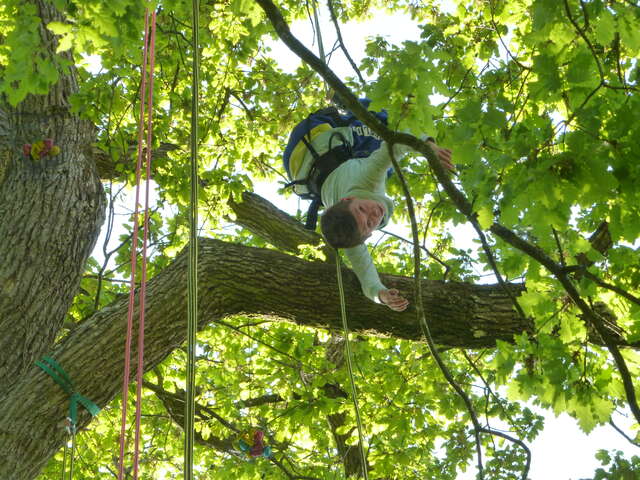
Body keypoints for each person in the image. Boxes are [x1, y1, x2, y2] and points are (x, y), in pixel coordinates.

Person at [284, 99, 453, 312]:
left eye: (362, 210)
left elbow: (395, 144)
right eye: (370, 223)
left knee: (382, 124)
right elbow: (367, 279)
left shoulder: (368, 178)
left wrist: (429, 148)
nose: (374, 214)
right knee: (386, 169)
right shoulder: (352, 234)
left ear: (347, 200)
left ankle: (357, 103)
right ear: (367, 236)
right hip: (305, 167)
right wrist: (381, 296)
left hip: (321, 134)